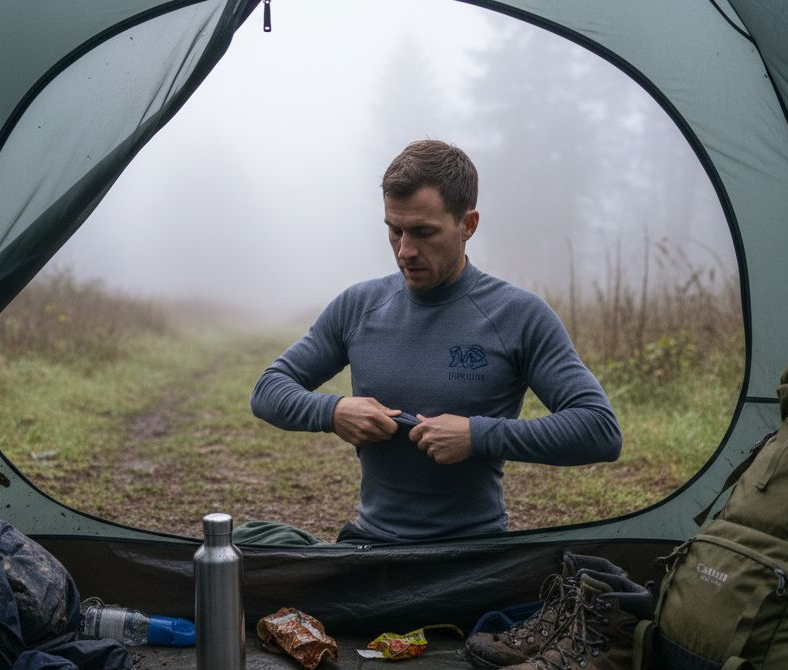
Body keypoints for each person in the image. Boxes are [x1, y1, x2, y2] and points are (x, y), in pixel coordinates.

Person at [249, 139, 621, 544]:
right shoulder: (359, 306)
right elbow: (268, 390)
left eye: (424, 232)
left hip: (471, 552)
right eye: (395, 230)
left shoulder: (518, 315)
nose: (405, 251)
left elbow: (599, 430)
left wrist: (478, 437)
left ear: (468, 225)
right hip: (371, 543)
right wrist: (334, 411)